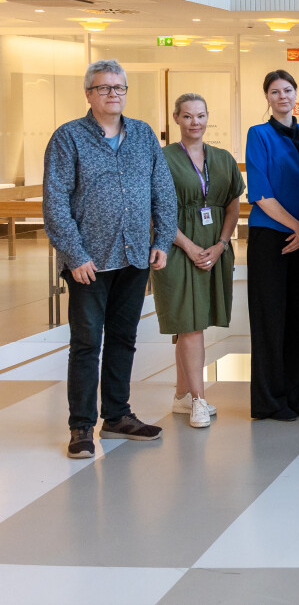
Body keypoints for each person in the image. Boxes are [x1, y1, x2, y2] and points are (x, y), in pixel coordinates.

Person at [44, 60, 177, 459]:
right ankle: (81, 426)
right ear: (88, 94)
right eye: (104, 88)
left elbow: (162, 191)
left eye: (119, 88)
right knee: (86, 344)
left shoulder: (142, 134)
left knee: (124, 339)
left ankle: (117, 416)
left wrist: (163, 239)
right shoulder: (68, 138)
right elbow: (55, 203)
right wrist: (75, 254)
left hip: (135, 256)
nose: (113, 94)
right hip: (89, 262)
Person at [153, 93, 244, 429]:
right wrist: (190, 247)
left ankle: (182, 396)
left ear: (208, 118)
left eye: (201, 116)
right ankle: (200, 401)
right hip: (177, 248)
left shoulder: (222, 159)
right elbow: (156, 211)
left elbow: (233, 205)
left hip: (214, 249)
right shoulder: (162, 159)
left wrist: (221, 244)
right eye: (188, 116)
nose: (195, 122)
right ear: (176, 118)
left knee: (193, 322)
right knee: (188, 323)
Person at [245, 70, 299, 422]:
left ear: (296, 94)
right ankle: (270, 402)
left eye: (288, 90)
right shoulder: (258, 134)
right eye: (275, 91)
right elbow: (260, 194)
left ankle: (295, 396)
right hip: (271, 237)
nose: (282, 96)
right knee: (270, 321)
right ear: (267, 98)